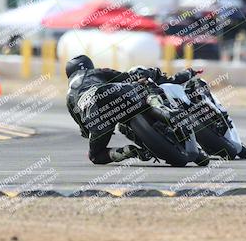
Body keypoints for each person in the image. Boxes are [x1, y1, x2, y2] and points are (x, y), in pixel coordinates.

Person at [66, 55, 202, 165]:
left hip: (96, 119)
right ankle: (165, 110)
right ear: (87, 66)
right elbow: (126, 76)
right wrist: (143, 78)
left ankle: (128, 151)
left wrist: (93, 131)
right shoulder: (94, 72)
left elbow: (84, 130)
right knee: (143, 85)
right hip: (110, 93)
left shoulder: (69, 97)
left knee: (95, 156)